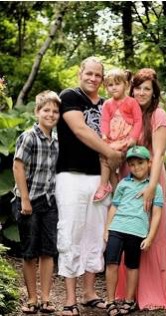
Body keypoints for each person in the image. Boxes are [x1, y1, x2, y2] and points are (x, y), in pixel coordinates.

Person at [55, 56, 122, 316]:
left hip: (99, 178)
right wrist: (111, 152)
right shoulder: (70, 96)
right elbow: (80, 129)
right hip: (71, 176)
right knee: (71, 234)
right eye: (89, 73)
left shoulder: (107, 104)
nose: (93, 78)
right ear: (80, 73)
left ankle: (90, 293)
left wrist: (116, 161)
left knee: (95, 235)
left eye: (98, 75)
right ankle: (70, 299)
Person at [113, 68, 166, 310]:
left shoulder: (159, 115)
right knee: (128, 227)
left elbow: (158, 154)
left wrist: (151, 187)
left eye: (146, 88)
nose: (141, 92)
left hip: (152, 177)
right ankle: (128, 292)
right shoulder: (128, 114)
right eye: (138, 87)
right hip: (128, 178)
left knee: (151, 231)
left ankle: (153, 291)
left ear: (154, 92)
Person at [12, 91, 61, 315]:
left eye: (55, 111)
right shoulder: (29, 136)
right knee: (30, 252)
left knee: (48, 251)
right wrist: (24, 198)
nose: (51, 114)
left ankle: (46, 298)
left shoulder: (57, 140)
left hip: (49, 202)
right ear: (37, 112)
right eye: (46, 110)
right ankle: (32, 298)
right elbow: (18, 166)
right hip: (28, 201)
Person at [102, 146, 163, 316]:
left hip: (137, 231)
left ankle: (129, 300)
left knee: (132, 266)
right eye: (132, 164)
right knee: (111, 263)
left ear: (149, 163)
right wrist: (107, 228)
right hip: (117, 227)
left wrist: (150, 237)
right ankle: (110, 301)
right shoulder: (123, 184)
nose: (137, 167)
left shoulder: (155, 188)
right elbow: (114, 207)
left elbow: (157, 214)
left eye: (140, 163)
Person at [94, 69, 143, 202]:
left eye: (117, 84)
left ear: (126, 85)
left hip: (126, 139)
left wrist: (133, 137)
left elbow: (138, 121)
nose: (114, 87)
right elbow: (104, 121)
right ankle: (113, 191)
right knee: (105, 158)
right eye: (110, 85)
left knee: (112, 161)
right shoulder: (107, 104)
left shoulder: (132, 102)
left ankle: (105, 186)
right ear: (106, 88)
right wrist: (104, 134)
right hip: (112, 139)